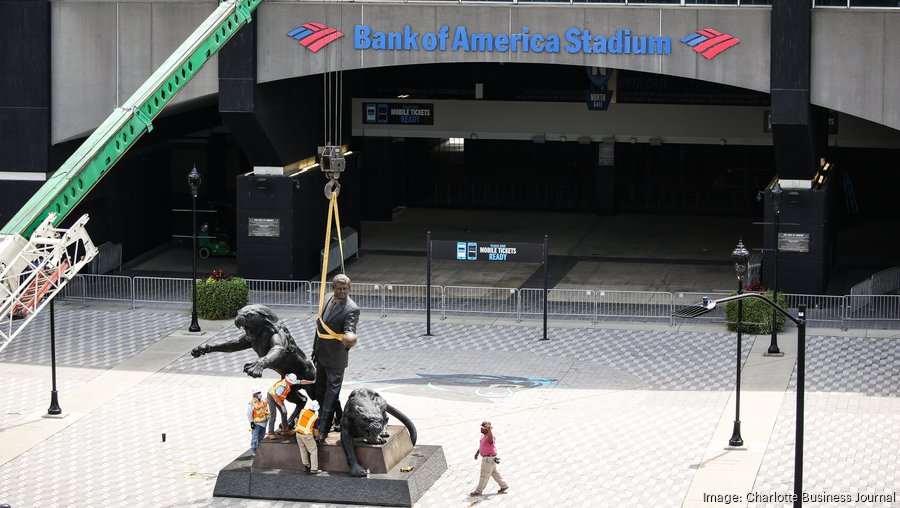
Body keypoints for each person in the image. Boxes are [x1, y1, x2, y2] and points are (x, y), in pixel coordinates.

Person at [311, 273, 359, 442]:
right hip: (321, 354)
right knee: (319, 391)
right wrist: (315, 350)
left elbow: (350, 327)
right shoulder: (326, 297)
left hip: (336, 358)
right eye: (339, 289)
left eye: (345, 289)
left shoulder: (351, 308)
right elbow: (320, 327)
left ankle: (323, 429)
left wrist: (349, 337)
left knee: (331, 394)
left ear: (349, 288)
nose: (342, 292)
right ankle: (334, 418)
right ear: (333, 288)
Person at [470, 420, 509, 496]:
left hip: (488, 458)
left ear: (487, 429)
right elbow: (482, 445)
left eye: (482, 428)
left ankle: (478, 491)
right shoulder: (483, 436)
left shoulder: (490, 436)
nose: (481, 429)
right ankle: (504, 486)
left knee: (484, 474)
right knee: (494, 473)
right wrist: (477, 453)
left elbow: (490, 440)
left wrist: (489, 430)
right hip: (489, 458)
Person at [265, 373, 298, 441]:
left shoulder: (289, 382)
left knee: (284, 413)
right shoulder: (282, 387)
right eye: (291, 382)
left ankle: (285, 430)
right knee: (273, 415)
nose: (292, 383)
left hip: (279, 398)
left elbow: (301, 381)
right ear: (288, 380)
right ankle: (271, 432)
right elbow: (275, 396)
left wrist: (312, 381)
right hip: (272, 397)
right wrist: (282, 406)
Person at [294, 399, 322, 474]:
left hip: (298, 434)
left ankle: (306, 466)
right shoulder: (315, 418)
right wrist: (318, 437)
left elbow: (296, 419)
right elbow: (316, 431)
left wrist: (297, 426)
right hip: (307, 435)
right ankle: (314, 469)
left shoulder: (303, 411)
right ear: (316, 409)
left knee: (303, 450)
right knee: (313, 451)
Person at [247, 388, 269, 456]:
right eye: (258, 393)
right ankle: (254, 450)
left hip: (264, 423)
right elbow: (249, 413)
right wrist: (251, 422)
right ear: (255, 395)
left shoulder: (262, 401)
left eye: (260, 392)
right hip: (257, 424)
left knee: (261, 437)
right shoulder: (252, 403)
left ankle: (259, 448)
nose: (260, 394)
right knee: (255, 437)